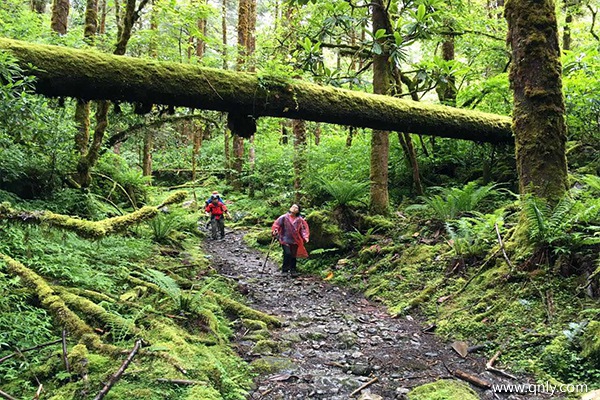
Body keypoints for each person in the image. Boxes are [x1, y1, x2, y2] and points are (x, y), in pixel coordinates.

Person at [271, 204, 310, 276]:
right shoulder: (284, 217)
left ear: (298, 210)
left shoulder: (300, 220)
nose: (293, 208)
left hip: (295, 240)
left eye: (296, 208)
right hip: (284, 239)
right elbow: (277, 225)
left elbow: (303, 229)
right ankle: (284, 270)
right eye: (293, 207)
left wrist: (305, 236)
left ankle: (293, 270)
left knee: (293, 255)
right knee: (287, 253)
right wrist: (275, 230)